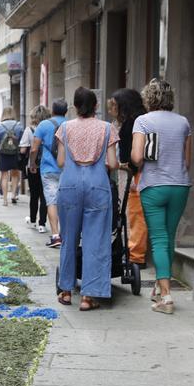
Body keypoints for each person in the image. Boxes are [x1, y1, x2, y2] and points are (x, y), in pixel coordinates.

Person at [131, 79, 192, 314]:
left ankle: (166, 297)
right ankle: (159, 285)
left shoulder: (143, 121)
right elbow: (187, 161)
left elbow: (137, 157)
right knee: (168, 236)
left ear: (148, 98)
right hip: (179, 185)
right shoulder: (183, 122)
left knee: (157, 239)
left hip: (153, 186)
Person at [56, 87, 119, 311]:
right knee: (96, 240)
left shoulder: (64, 128)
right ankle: (88, 296)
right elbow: (112, 163)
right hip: (97, 185)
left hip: (70, 184)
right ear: (95, 106)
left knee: (68, 238)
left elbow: (61, 161)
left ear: (74, 106)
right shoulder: (107, 128)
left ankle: (65, 290)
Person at [109, 88, 148, 266]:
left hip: (133, 173)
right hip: (138, 172)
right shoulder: (140, 120)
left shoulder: (132, 124)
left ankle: (135, 256)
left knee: (133, 214)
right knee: (135, 214)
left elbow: (130, 153)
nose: (113, 109)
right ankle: (134, 252)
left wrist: (129, 172)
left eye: (115, 106)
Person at [30, 99, 68, 248]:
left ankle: (55, 235)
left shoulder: (43, 125)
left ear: (52, 110)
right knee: (65, 201)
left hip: (48, 170)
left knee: (52, 201)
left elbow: (34, 148)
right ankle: (67, 234)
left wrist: (32, 163)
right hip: (67, 169)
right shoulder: (70, 124)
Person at [22, 105, 50, 233]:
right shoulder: (50, 128)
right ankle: (42, 224)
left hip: (33, 166)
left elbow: (23, 149)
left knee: (34, 194)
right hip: (47, 165)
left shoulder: (29, 130)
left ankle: (33, 220)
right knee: (45, 195)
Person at [0, 106, 24, 206]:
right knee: (15, 174)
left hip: (3, 153)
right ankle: (13, 195)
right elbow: (21, 139)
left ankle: (4, 200)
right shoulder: (18, 125)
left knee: (4, 175)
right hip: (15, 152)